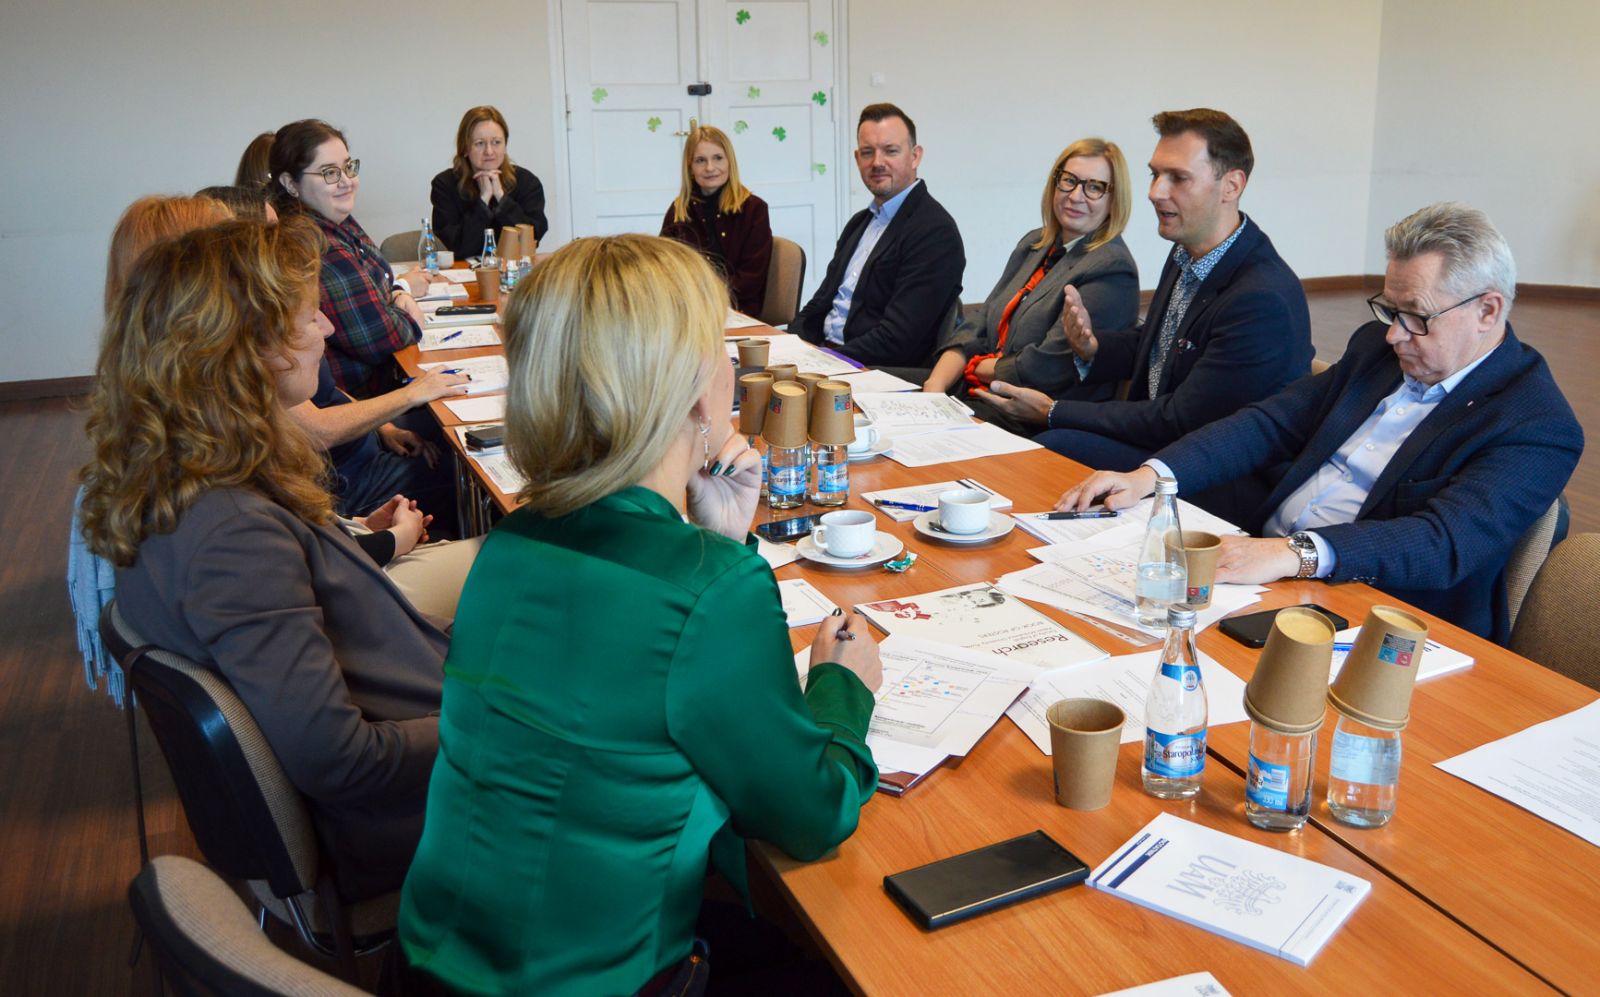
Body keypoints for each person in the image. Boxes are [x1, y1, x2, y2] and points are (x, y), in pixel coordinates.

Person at [399, 235, 882, 995]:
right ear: (694, 388)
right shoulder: (709, 591)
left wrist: (714, 541)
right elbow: (813, 812)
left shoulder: (510, 542)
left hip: (437, 964)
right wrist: (844, 686)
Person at [78, 217, 448, 900]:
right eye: (311, 316)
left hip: (431, 728)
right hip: (425, 807)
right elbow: (340, 761)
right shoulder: (230, 532)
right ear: (246, 348)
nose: (329, 332)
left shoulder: (199, 469)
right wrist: (497, 721)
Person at [1058, 203, 1583, 645]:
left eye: (1416, 317)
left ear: (1488, 311)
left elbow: (1441, 543)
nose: (1394, 336)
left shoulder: (1535, 423)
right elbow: (1270, 422)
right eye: (1389, 310)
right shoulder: (1376, 352)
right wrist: (1152, 477)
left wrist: (1295, 553)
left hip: (1379, 616)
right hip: (1265, 568)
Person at [975, 109, 1312, 479]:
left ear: (1231, 185)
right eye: (1155, 174)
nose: (1155, 192)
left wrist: (1053, 410)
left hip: (1213, 471)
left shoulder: (1260, 298)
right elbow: (1161, 347)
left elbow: (1182, 419)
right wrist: (1092, 348)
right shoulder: (1187, 251)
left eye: (1178, 178)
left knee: (1053, 446)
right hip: (1163, 444)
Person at [924, 138, 1138, 431]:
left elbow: (1048, 366)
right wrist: (934, 387)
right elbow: (980, 325)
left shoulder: (1111, 266)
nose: (1076, 196)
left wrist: (977, 367)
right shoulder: (1034, 244)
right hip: (977, 388)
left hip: (1030, 416)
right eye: (1069, 181)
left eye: (1094, 187)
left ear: (1114, 200)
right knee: (874, 390)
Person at [792, 103, 964, 368]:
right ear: (857, 158)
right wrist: (787, 346)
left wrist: (825, 361)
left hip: (874, 372)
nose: (877, 162)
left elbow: (899, 340)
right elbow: (820, 303)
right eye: (867, 152)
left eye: (890, 151)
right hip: (829, 359)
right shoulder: (860, 223)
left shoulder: (934, 232)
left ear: (915, 156)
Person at [270, 118, 428, 397]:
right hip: (363, 403)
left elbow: (381, 277)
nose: (346, 181)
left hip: (374, 395)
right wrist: (407, 310)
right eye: (329, 172)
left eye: (348, 167)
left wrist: (396, 292)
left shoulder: (334, 219)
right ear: (290, 183)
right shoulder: (313, 243)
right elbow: (383, 338)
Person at [660, 124, 772, 315]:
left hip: (737, 309)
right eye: (700, 160)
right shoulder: (679, 210)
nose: (710, 168)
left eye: (718, 158)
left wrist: (706, 300)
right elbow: (664, 267)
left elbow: (751, 280)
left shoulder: (754, 209)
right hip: (689, 309)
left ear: (730, 162)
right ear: (690, 167)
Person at [430, 105, 549, 259]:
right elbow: (459, 247)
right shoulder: (444, 185)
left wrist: (501, 198)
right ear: (465, 148)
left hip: (515, 272)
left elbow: (531, 240)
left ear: (505, 145)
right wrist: (484, 200)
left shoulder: (527, 182)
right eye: (479, 143)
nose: (489, 151)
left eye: (496, 142)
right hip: (464, 274)